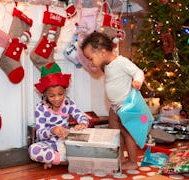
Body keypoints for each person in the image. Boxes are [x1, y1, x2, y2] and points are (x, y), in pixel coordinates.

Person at [80, 31, 145, 170]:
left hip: (127, 105)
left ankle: (133, 161)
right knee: (114, 132)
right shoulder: (107, 65)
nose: (90, 62)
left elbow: (138, 72)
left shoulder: (121, 62)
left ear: (102, 52)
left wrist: (137, 81)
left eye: (90, 58)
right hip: (115, 106)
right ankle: (120, 158)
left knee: (128, 133)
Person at [28, 62, 89, 169]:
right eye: (52, 95)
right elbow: (40, 134)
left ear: (65, 91)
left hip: (66, 141)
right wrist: (52, 130)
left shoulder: (68, 103)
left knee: (87, 141)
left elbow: (81, 116)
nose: (57, 99)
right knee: (33, 150)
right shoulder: (40, 108)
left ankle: (55, 160)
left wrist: (83, 124)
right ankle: (64, 160)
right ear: (45, 94)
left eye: (61, 94)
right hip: (48, 144)